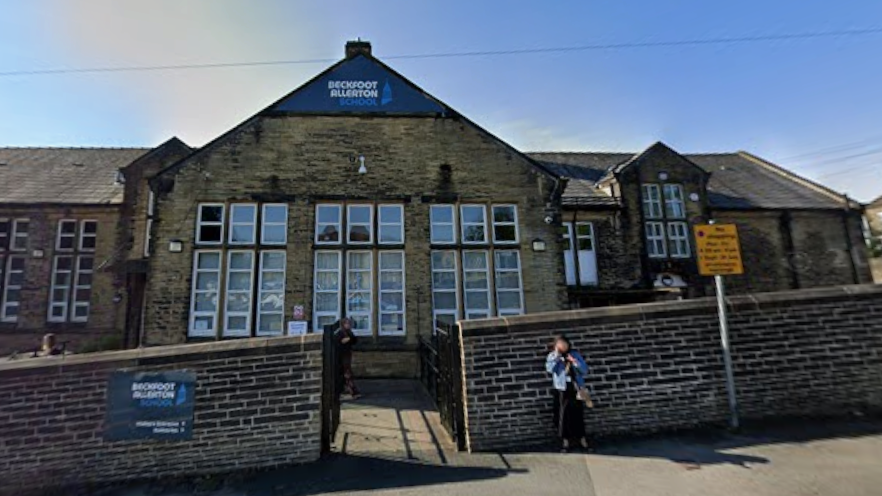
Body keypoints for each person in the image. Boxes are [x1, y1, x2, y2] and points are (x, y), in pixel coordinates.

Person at [545, 334, 590, 452]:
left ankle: (582, 439)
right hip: (562, 389)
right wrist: (556, 356)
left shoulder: (574, 354)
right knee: (563, 416)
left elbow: (584, 370)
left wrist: (574, 362)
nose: (563, 346)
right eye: (560, 344)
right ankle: (565, 442)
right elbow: (550, 369)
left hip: (576, 388)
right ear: (556, 345)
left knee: (578, 414)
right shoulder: (552, 356)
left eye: (565, 343)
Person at [335, 318, 360, 398]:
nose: (349, 325)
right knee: (346, 373)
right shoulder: (340, 333)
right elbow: (341, 342)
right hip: (341, 356)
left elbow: (354, 340)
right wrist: (349, 339)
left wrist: (350, 339)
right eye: (347, 324)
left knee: (345, 373)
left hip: (347, 354)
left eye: (349, 324)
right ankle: (353, 392)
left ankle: (345, 391)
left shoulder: (349, 332)